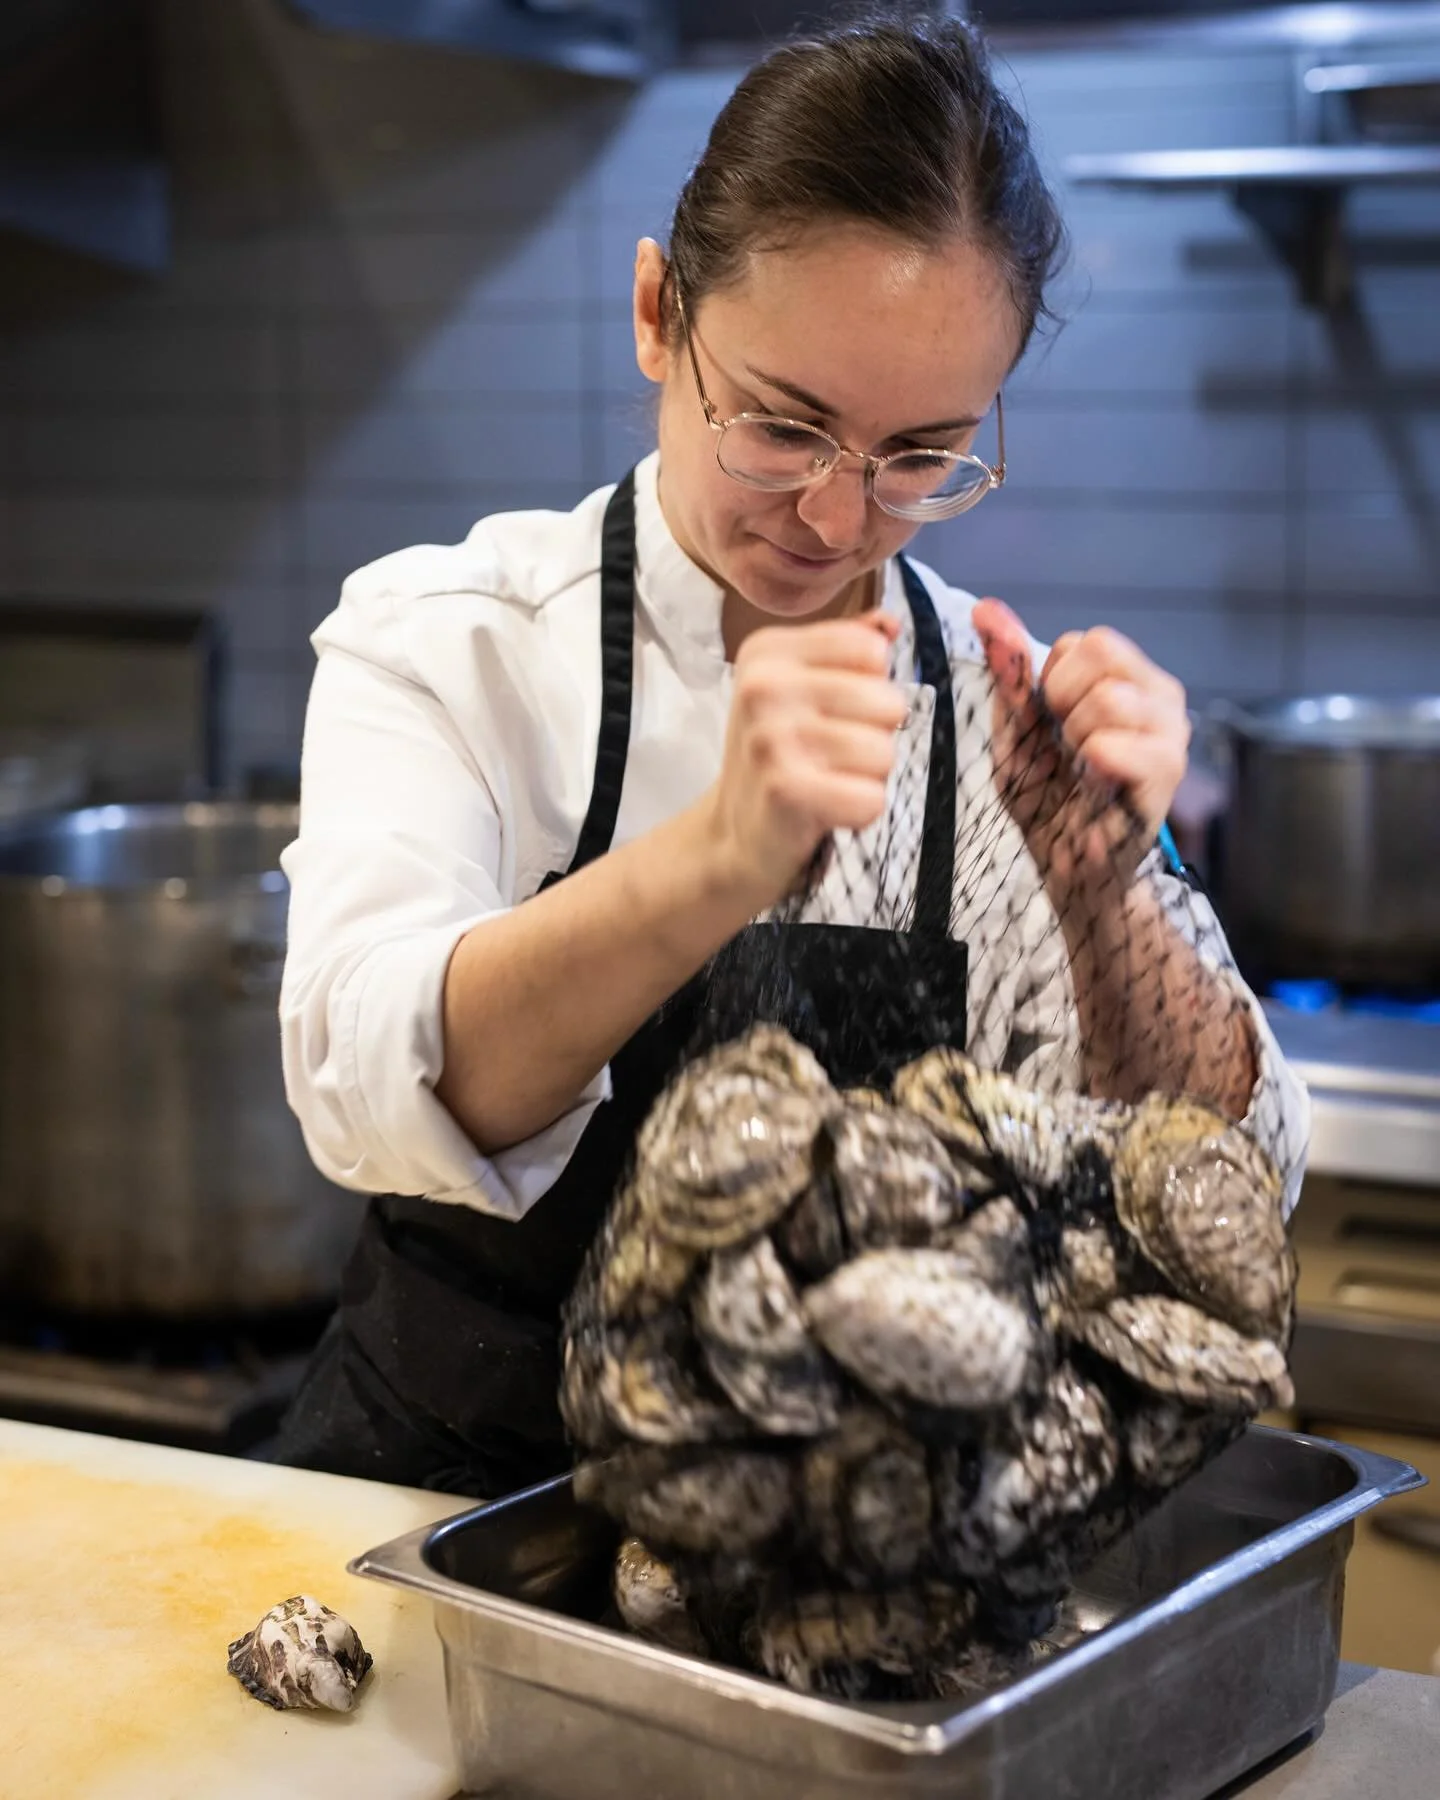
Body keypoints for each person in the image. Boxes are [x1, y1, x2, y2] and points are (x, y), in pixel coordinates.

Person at [273, 13, 1309, 1494]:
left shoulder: (1003, 714)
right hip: (441, 1516)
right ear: (655, 314)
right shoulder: (453, 643)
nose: (836, 521)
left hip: (849, 1576)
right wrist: (714, 857)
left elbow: (1227, 1194)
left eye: (920, 454)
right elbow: (367, 1083)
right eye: (782, 424)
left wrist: (1105, 901)